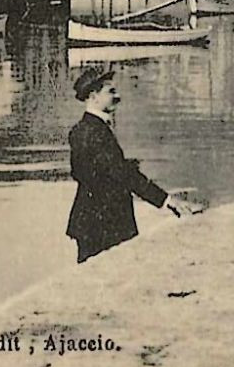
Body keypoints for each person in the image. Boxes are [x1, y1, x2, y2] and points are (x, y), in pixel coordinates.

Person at [65, 66, 185, 263]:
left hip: (90, 218)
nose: (118, 96)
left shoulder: (81, 129)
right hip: (106, 221)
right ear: (94, 96)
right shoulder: (95, 132)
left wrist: (121, 167)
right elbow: (120, 173)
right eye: (111, 91)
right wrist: (167, 200)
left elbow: (81, 173)